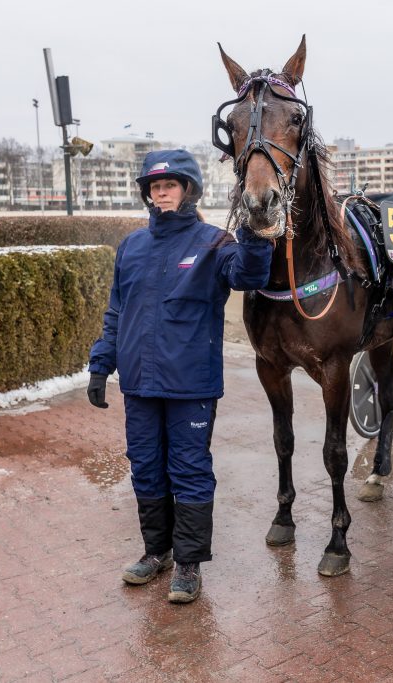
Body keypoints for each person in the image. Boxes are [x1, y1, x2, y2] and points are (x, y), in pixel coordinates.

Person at [87, 149, 272, 604]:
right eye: (154, 187)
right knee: (145, 466)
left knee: (188, 470)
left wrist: (252, 233)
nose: (161, 193)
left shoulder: (215, 242)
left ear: (189, 190)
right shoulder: (131, 246)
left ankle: (188, 564)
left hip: (191, 382)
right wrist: (100, 363)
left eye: (169, 186)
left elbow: (248, 275)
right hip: (138, 382)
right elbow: (117, 312)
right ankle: (157, 553)